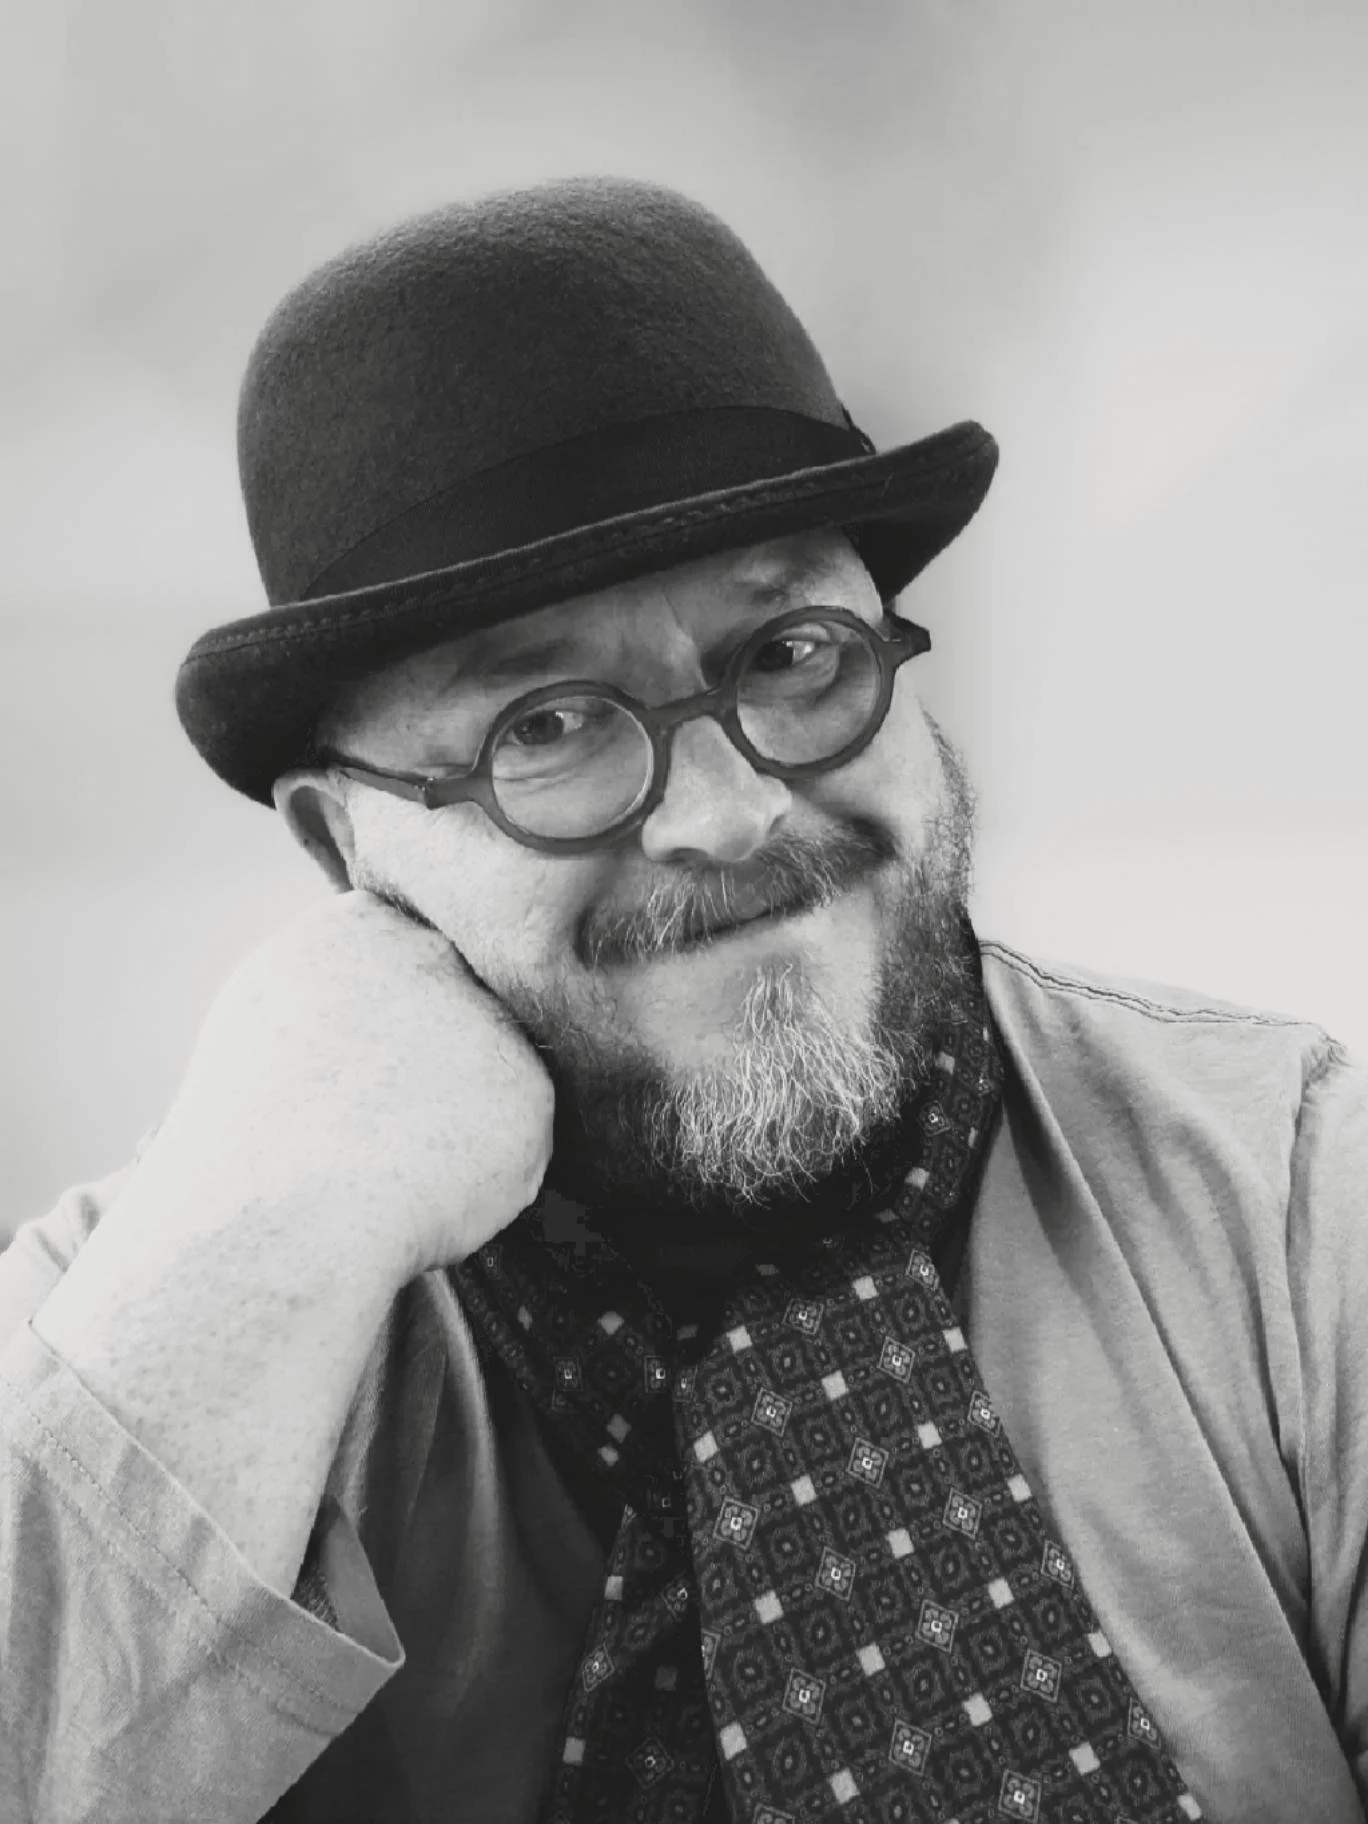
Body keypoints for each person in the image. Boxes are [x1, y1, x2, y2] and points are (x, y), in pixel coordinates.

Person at [0, 177, 1362, 1824]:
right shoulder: (111, 1320)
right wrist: (262, 1256)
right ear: (343, 844)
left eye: (790, 653)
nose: (727, 811)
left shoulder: (1299, 1210)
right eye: (547, 729)